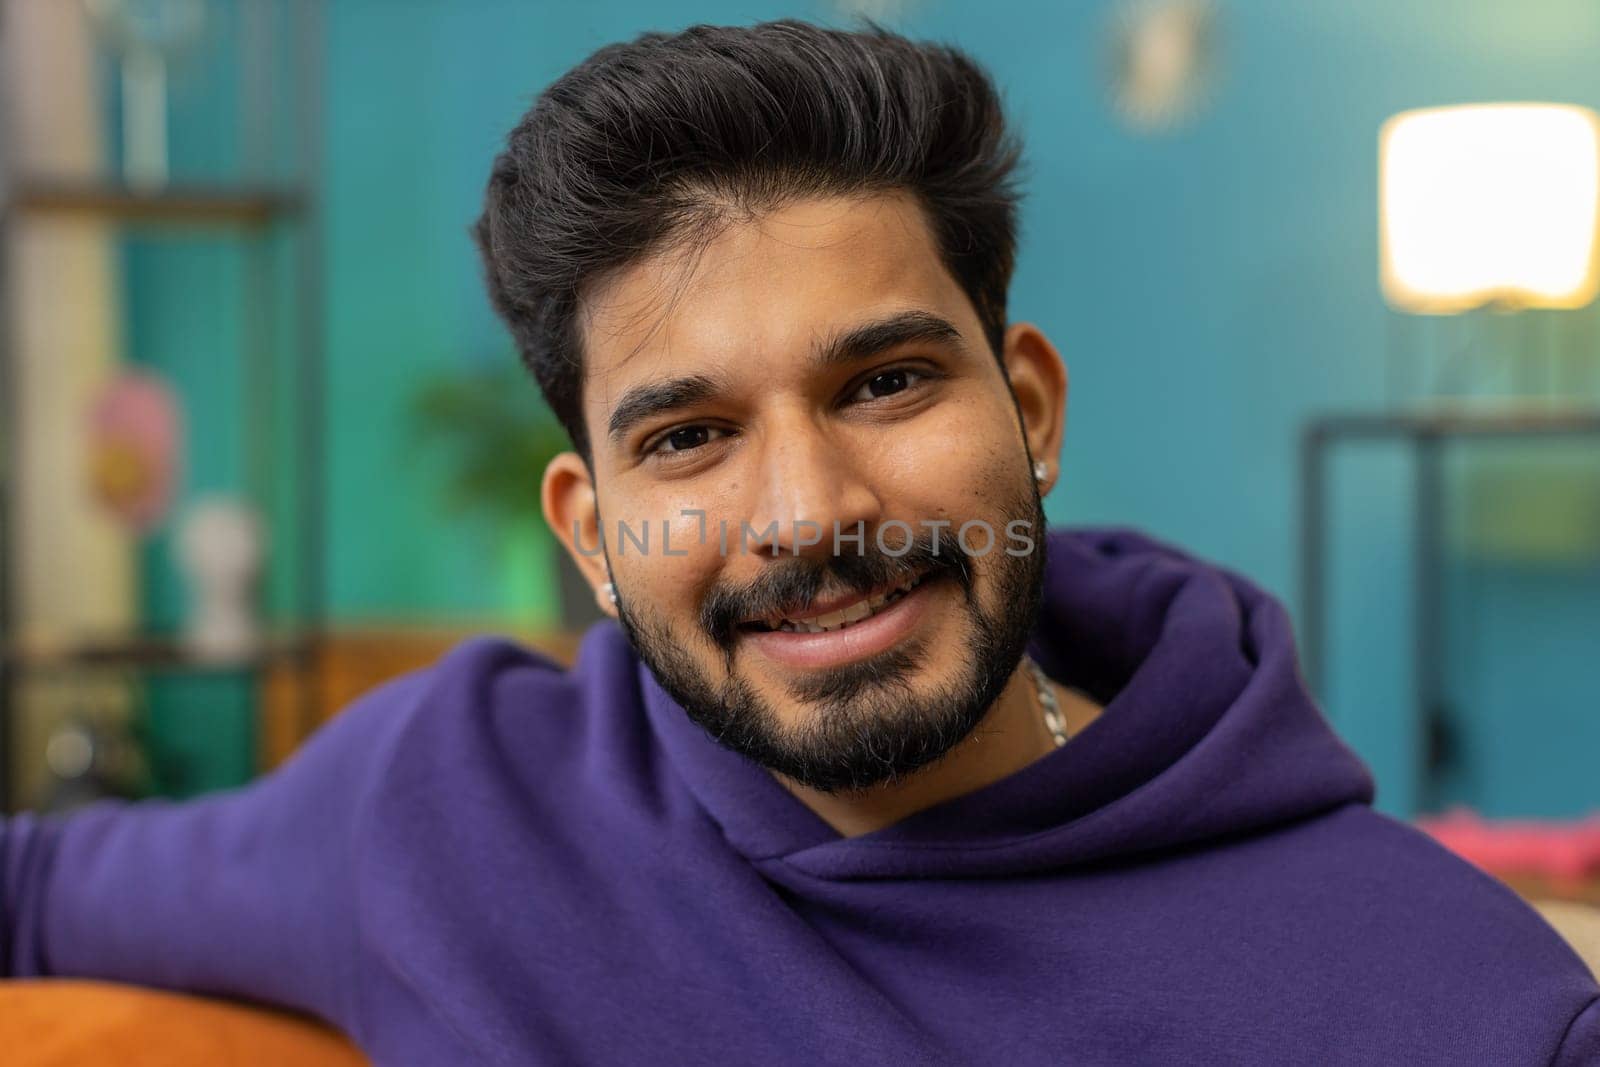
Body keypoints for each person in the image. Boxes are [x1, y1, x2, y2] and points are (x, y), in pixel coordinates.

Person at [4, 19, 1598, 1065]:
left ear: (1028, 407)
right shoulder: (452, 805)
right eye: (688, 436)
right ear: (592, 531)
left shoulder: (1451, 1006)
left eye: (886, 382)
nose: (810, 512)